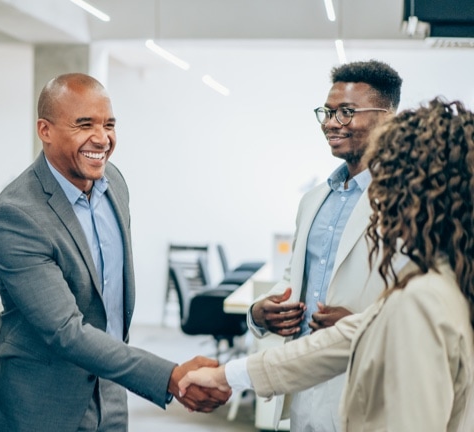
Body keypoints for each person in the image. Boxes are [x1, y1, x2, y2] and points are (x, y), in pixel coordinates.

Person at [180, 97, 474, 431]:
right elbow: (345, 337)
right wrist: (227, 375)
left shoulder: (423, 300)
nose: (378, 197)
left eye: (389, 180)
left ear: (418, 194)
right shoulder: (446, 280)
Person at [0, 73, 229, 432]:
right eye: (84, 124)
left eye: (109, 124)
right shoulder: (18, 213)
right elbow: (65, 331)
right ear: (45, 130)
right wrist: (168, 375)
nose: (102, 138)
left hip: (110, 396)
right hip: (40, 408)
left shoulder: (114, 185)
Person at [245, 60, 402, 431]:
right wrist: (259, 314)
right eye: (328, 112)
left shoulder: (408, 200)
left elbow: (422, 297)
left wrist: (362, 328)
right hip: (306, 387)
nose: (331, 123)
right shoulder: (314, 200)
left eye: (347, 112)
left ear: (388, 117)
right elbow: (292, 280)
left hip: (370, 386)